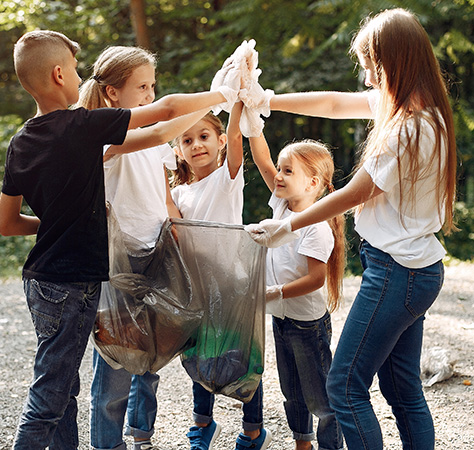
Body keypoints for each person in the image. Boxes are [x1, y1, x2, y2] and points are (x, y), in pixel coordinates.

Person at [0, 30, 231, 450]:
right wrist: (221, 92)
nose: (76, 76)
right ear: (57, 74)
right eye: (71, 69)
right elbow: (166, 118)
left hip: (40, 280)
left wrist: (56, 224)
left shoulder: (19, 143)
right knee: (49, 397)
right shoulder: (81, 127)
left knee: (63, 387)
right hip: (73, 282)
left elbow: (8, 224)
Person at [245, 8, 458, 450]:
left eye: (370, 69)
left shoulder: (409, 129)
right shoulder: (416, 108)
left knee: (343, 387)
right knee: (401, 389)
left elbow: (354, 193)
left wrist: (287, 225)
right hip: (413, 269)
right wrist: (267, 100)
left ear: (390, 64)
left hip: (397, 272)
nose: (365, 80)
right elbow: (334, 102)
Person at [75, 45, 235, 450]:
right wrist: (223, 90)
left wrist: (176, 237)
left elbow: (163, 197)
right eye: (141, 87)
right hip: (120, 259)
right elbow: (163, 124)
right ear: (113, 93)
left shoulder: (153, 142)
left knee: (151, 353)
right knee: (115, 363)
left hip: (157, 252)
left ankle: (140, 434)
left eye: (152, 87)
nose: (149, 95)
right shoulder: (100, 132)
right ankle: (106, 444)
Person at [169, 104, 270, 450]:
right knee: (199, 357)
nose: (197, 144)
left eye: (204, 136)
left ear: (221, 140)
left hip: (234, 285)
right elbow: (172, 224)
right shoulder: (179, 194)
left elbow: (238, 141)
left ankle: (253, 430)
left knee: (243, 359)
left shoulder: (227, 178)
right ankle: (202, 424)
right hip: (197, 290)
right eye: (187, 140)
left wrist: (237, 99)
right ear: (178, 152)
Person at [248, 126, 346, 450]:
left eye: (287, 170)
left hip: (307, 325)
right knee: (292, 391)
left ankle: (330, 446)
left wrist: (274, 293)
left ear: (312, 183)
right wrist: (252, 116)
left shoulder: (317, 228)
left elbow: (316, 279)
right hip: (281, 320)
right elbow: (262, 161)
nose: (277, 175)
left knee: (321, 397)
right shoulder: (282, 206)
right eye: (280, 168)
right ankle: (302, 443)